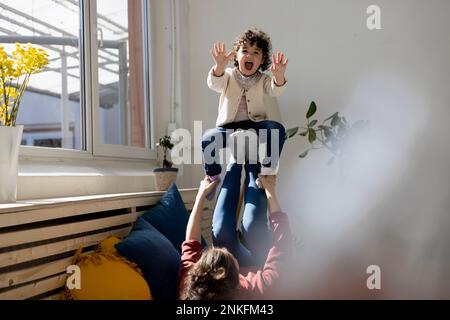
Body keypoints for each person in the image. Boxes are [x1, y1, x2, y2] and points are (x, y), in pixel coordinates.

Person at [178, 163, 292, 299]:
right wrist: (270, 190)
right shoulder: (258, 290)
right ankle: (253, 163)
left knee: (221, 232)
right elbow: (282, 243)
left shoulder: (192, 287)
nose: (226, 250)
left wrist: (201, 195)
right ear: (235, 278)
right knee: (252, 227)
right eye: (228, 255)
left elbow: (191, 243)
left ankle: (235, 164)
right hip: (260, 262)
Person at [202, 28, 289, 200]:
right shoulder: (228, 75)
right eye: (245, 51)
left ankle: (266, 174)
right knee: (207, 139)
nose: (249, 56)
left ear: (262, 60)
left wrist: (278, 77)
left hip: (254, 126)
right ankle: (213, 176)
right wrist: (219, 66)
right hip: (228, 128)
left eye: (256, 52)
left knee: (277, 129)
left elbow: (274, 90)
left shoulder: (262, 79)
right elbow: (214, 83)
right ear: (235, 56)